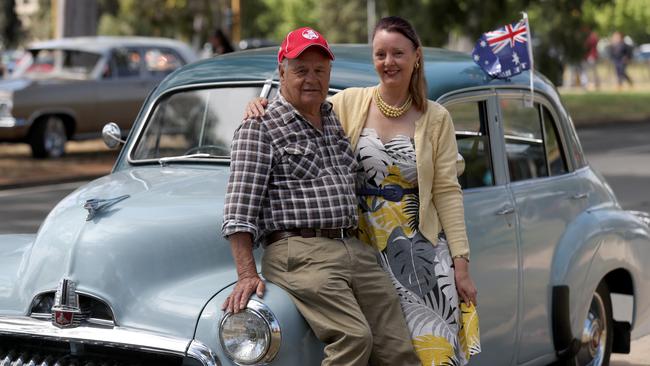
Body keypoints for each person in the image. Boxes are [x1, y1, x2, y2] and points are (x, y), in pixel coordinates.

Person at [245, 16, 481, 365]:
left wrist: (461, 263)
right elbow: (300, 108)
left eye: (398, 53)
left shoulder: (437, 117)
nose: (389, 62)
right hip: (360, 244)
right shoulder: (347, 104)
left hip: (421, 251)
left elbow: (447, 191)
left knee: (424, 350)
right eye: (381, 53)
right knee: (365, 343)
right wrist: (257, 107)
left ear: (416, 56)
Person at [221, 27, 420, 366]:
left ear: (329, 73)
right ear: (281, 69)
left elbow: (383, 109)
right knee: (354, 338)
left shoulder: (332, 117)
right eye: (301, 70)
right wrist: (246, 274)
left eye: (319, 70)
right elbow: (239, 208)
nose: (311, 78)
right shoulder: (261, 125)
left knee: (397, 347)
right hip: (298, 252)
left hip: (351, 247)